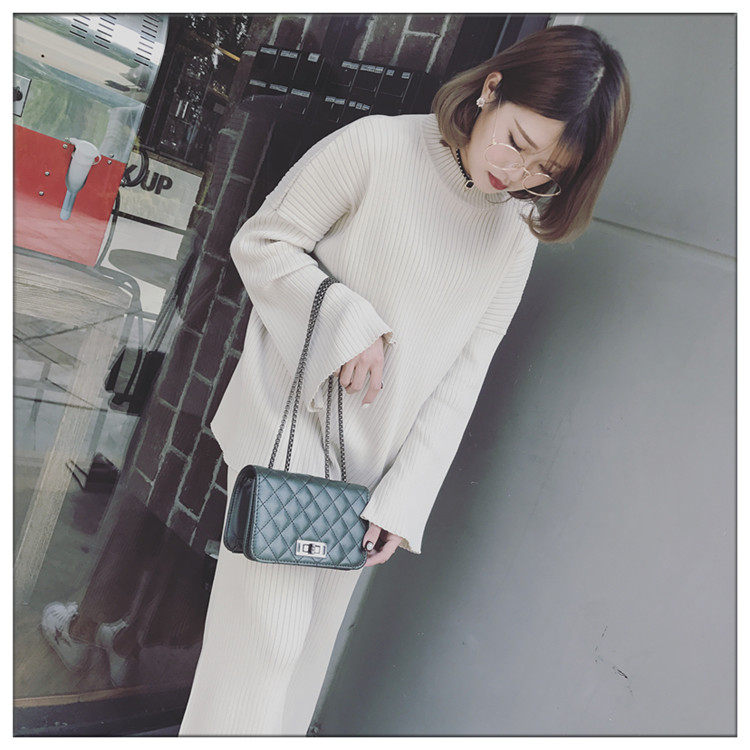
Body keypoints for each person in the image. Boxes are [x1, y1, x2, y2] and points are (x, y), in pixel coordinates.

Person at [178, 23, 630, 736]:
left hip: (369, 473)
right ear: (491, 89)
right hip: (287, 427)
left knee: (303, 658)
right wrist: (347, 320)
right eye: (516, 142)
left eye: (547, 170)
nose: (518, 174)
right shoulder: (377, 148)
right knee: (266, 644)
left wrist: (405, 497)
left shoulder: (513, 234)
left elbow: (465, 373)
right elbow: (261, 242)